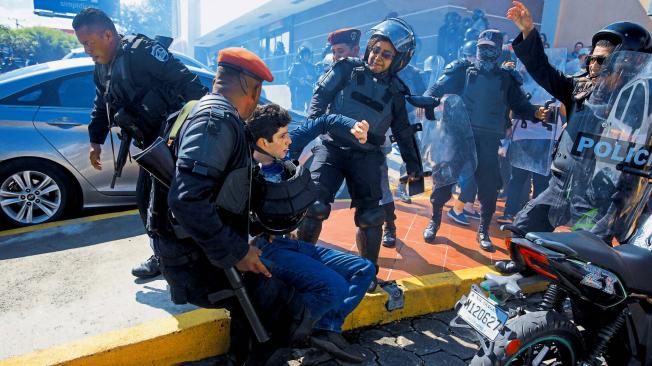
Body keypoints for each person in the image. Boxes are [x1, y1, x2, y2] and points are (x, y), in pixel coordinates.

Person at [159, 48, 374, 363]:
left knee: (357, 272)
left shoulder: (211, 116)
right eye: (258, 93)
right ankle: (294, 338)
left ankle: (310, 334)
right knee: (284, 317)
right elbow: (187, 199)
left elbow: (226, 195)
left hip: (249, 243)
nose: (288, 142)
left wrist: (257, 228)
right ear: (252, 87)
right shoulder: (217, 121)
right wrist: (238, 251)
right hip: (222, 256)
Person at [496, 0, 652, 273]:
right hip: (561, 184)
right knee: (523, 229)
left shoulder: (639, 107)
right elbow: (542, 70)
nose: (593, 65)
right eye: (592, 57)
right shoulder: (579, 89)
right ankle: (526, 277)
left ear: (626, 64)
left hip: (599, 199)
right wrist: (529, 33)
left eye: (604, 60)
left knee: (585, 261)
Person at [72, 8, 207, 278]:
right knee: (150, 201)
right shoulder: (102, 67)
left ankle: (174, 258)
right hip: (150, 145)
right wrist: (95, 140)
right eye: (83, 44)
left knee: (164, 203)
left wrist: (202, 128)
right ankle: (171, 254)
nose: (86, 49)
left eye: (89, 42)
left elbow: (189, 83)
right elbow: (101, 103)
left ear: (107, 34)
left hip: (175, 140)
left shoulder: (142, 51)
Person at [296, 18, 423, 291]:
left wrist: (414, 167)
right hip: (331, 148)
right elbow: (320, 96)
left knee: (371, 217)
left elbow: (403, 131)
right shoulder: (345, 69)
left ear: (399, 60)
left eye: (386, 54)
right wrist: (315, 123)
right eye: (375, 49)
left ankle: (368, 275)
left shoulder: (397, 92)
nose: (377, 57)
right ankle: (299, 264)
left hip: (367, 155)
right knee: (314, 207)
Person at [422, 28, 548, 251]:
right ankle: (434, 221)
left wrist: (536, 113)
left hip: (488, 142)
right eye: (482, 48)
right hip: (458, 137)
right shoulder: (462, 70)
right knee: (444, 182)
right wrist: (427, 100)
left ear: (498, 51)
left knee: (489, 189)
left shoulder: (507, 78)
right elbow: (438, 87)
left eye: (490, 48)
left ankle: (483, 231)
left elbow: (520, 105)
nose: (485, 52)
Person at [287, 46, 317, 112]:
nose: (306, 56)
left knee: (310, 108)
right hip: (299, 90)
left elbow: (315, 77)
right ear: (301, 55)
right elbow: (290, 77)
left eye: (307, 55)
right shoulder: (295, 65)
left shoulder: (311, 66)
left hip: (309, 89)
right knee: (299, 109)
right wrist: (299, 80)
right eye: (305, 55)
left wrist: (312, 78)